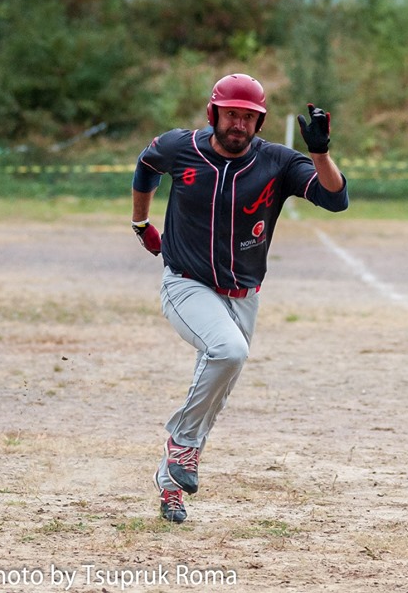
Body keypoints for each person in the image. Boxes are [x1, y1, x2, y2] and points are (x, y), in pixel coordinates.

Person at [130, 73, 349, 523]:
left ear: (259, 122)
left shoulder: (277, 162)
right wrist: (141, 223)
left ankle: (171, 485)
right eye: (231, 114)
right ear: (213, 114)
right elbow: (146, 165)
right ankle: (181, 445)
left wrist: (320, 153)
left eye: (248, 117)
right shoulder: (180, 147)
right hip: (186, 282)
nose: (239, 124)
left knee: (217, 388)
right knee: (228, 351)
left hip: (244, 294)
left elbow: (335, 199)